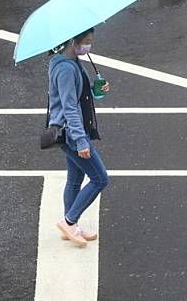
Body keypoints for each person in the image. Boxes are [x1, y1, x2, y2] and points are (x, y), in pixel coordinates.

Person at [47, 27, 111, 247]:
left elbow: (78, 94)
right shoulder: (65, 68)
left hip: (73, 131)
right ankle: (69, 220)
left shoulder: (71, 61)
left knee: (74, 180)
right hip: (73, 133)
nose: (89, 45)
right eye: (87, 41)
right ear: (73, 41)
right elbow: (69, 107)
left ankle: (71, 227)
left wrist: (95, 89)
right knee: (100, 178)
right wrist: (81, 140)